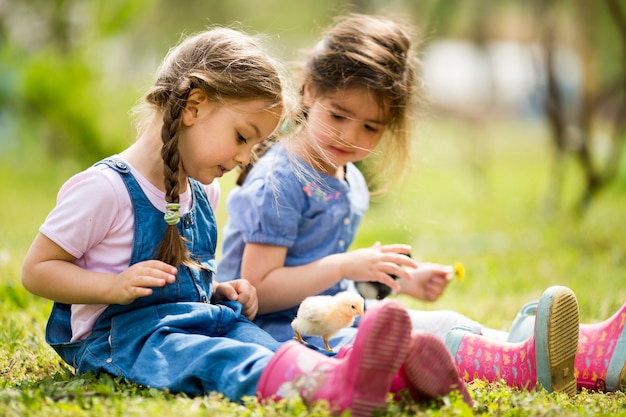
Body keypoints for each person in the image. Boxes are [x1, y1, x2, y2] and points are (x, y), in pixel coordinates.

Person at [19, 27, 459, 417]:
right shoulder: (106, 189)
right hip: (121, 337)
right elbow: (36, 271)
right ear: (194, 106)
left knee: (263, 342)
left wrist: (217, 290)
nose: (247, 158)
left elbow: (182, 278)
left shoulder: (202, 189)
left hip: (196, 316)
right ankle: (332, 387)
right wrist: (110, 288)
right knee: (215, 358)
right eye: (242, 137)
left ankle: (375, 377)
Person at [216, 13, 626, 397]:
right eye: (338, 115)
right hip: (284, 336)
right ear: (309, 90)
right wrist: (346, 265)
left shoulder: (348, 177)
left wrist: (398, 280)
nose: (350, 135)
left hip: (327, 318)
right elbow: (260, 292)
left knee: (443, 322)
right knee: (424, 337)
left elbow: (324, 280)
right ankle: (517, 365)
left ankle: (588, 356)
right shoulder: (281, 180)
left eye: (371, 127)